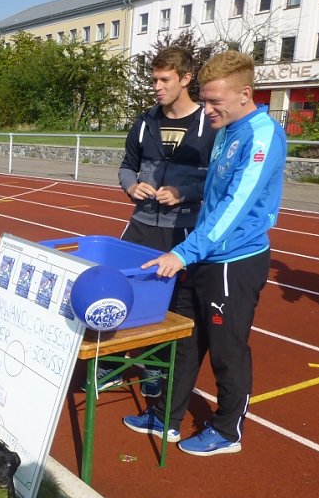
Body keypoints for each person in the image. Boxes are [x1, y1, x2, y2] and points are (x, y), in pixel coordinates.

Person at [122, 50, 287, 457]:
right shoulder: (228, 128)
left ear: (245, 94)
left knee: (227, 350)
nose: (208, 110)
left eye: (215, 102)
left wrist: (183, 252)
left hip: (234, 261)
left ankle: (228, 430)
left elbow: (236, 204)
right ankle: (168, 418)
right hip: (202, 254)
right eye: (206, 100)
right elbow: (212, 196)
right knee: (185, 339)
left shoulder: (260, 134)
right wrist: (191, 247)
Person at [98, 46, 217, 398]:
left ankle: (155, 368)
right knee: (122, 289)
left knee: (173, 302)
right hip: (143, 222)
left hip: (185, 228)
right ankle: (112, 363)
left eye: (165, 79)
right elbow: (125, 166)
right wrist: (131, 186)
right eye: (154, 79)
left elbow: (216, 180)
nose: (157, 86)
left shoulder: (209, 126)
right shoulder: (145, 121)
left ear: (185, 78)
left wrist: (184, 192)